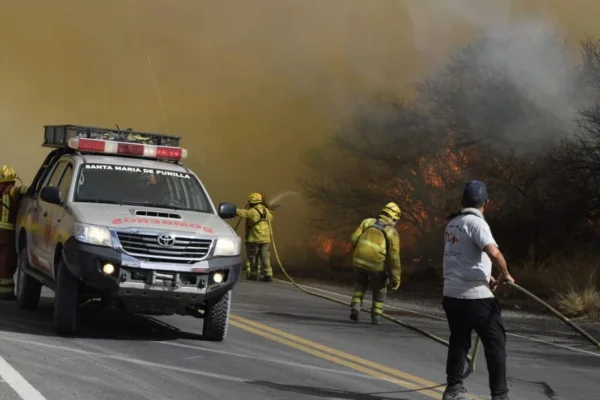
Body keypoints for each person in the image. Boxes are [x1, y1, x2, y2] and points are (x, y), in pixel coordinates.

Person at [441, 180, 515, 400]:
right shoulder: (478, 223)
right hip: (475, 297)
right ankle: (500, 396)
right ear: (486, 203)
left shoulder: (453, 223)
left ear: (462, 201)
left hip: (451, 295)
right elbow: (493, 253)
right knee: (495, 343)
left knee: (459, 341)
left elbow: (462, 257)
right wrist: (505, 274)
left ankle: (453, 389)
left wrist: (488, 276)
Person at [349, 202, 402, 325]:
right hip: (375, 265)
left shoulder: (367, 222)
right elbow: (394, 258)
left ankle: (356, 305)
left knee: (360, 283)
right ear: (393, 217)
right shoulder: (391, 232)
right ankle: (376, 315)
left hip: (358, 261)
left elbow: (353, 239)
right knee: (380, 288)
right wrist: (396, 279)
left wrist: (358, 253)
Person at [0, 165, 28, 300]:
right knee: (8, 260)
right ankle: (6, 292)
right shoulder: (11, 191)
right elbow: (23, 190)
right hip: (7, 232)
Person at [237, 192, 274, 282]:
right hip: (266, 239)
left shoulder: (252, 212)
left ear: (251, 202)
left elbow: (243, 213)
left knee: (252, 256)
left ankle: (253, 274)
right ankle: (268, 275)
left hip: (254, 239)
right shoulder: (267, 211)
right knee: (265, 257)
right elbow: (271, 218)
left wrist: (234, 210)